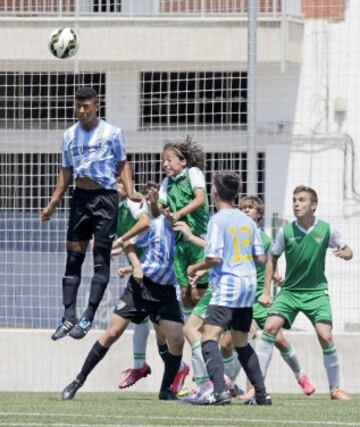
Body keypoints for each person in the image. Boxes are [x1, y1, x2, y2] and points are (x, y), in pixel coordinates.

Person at [41, 86, 140, 341]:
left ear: (97, 106)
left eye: (87, 106)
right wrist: (52, 204)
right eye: (78, 106)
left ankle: (88, 316)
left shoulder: (112, 133)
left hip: (105, 199)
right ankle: (68, 316)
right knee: (73, 258)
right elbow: (65, 173)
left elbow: (122, 163)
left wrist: (129, 191)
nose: (82, 111)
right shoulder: (69, 135)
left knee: (100, 259)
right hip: (80, 199)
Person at [61, 214, 184, 401]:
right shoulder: (155, 224)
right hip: (141, 287)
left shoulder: (187, 229)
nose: (173, 211)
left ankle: (166, 390)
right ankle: (77, 381)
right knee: (112, 333)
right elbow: (129, 243)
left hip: (166, 292)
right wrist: (135, 265)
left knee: (177, 340)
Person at [256, 185, 353, 401]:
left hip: (316, 292)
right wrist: (265, 291)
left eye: (301, 200)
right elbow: (272, 258)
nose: (296, 204)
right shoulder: (286, 231)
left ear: (313, 205)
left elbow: (349, 250)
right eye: (294, 200)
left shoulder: (326, 229)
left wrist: (343, 253)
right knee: (270, 328)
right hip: (290, 292)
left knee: (325, 336)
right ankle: (257, 386)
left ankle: (335, 388)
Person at [187, 171, 271, 405]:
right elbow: (260, 257)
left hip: (228, 286)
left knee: (208, 337)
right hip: (248, 287)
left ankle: (219, 392)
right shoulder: (247, 221)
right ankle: (262, 394)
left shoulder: (218, 220)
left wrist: (195, 267)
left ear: (214, 191)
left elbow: (213, 258)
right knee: (241, 343)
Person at [114, 181, 190, 392]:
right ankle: (173, 373)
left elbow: (152, 223)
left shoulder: (142, 207)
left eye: (121, 181)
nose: (116, 184)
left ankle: (191, 376)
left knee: (180, 335)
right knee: (158, 333)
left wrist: (120, 244)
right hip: (149, 279)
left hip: (167, 284)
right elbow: (149, 250)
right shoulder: (120, 210)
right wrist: (130, 266)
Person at [237, 195, 314, 399]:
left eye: (250, 208)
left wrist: (276, 278)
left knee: (279, 339)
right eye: (242, 208)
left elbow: (271, 262)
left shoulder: (264, 239)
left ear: (259, 214)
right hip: (240, 298)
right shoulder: (235, 236)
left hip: (260, 300)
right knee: (231, 342)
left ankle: (301, 375)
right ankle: (230, 384)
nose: (245, 211)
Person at [150, 137, 209, 318]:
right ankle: (193, 337)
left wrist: (178, 214)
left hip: (198, 238)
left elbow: (200, 199)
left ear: (182, 161)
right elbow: (156, 212)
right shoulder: (166, 183)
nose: (164, 164)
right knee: (184, 294)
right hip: (179, 243)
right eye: (163, 160)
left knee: (197, 293)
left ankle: (209, 329)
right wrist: (153, 201)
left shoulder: (193, 173)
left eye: (169, 159)